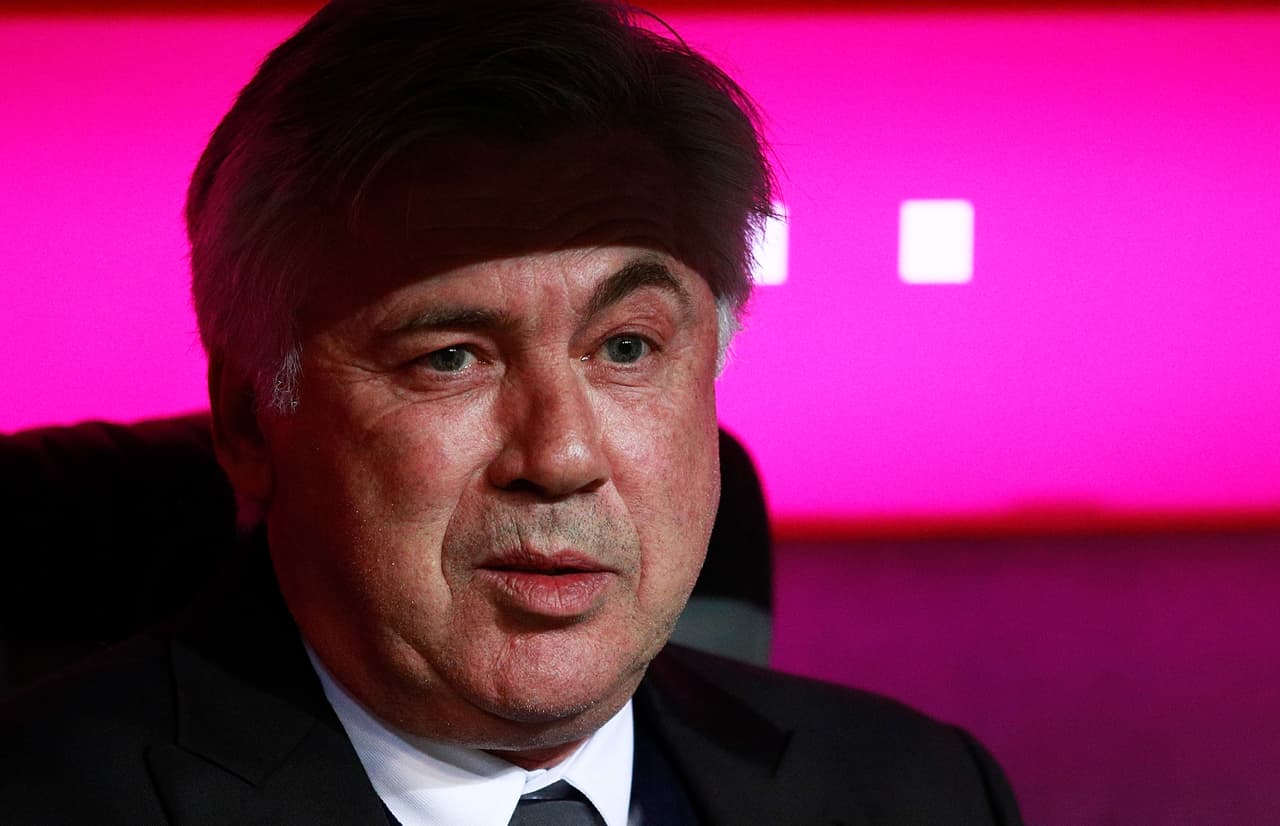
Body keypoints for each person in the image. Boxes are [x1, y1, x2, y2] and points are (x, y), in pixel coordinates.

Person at [0, 1, 1023, 823]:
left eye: (626, 348)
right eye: (451, 356)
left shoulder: (917, 790)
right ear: (246, 420)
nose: (561, 453)